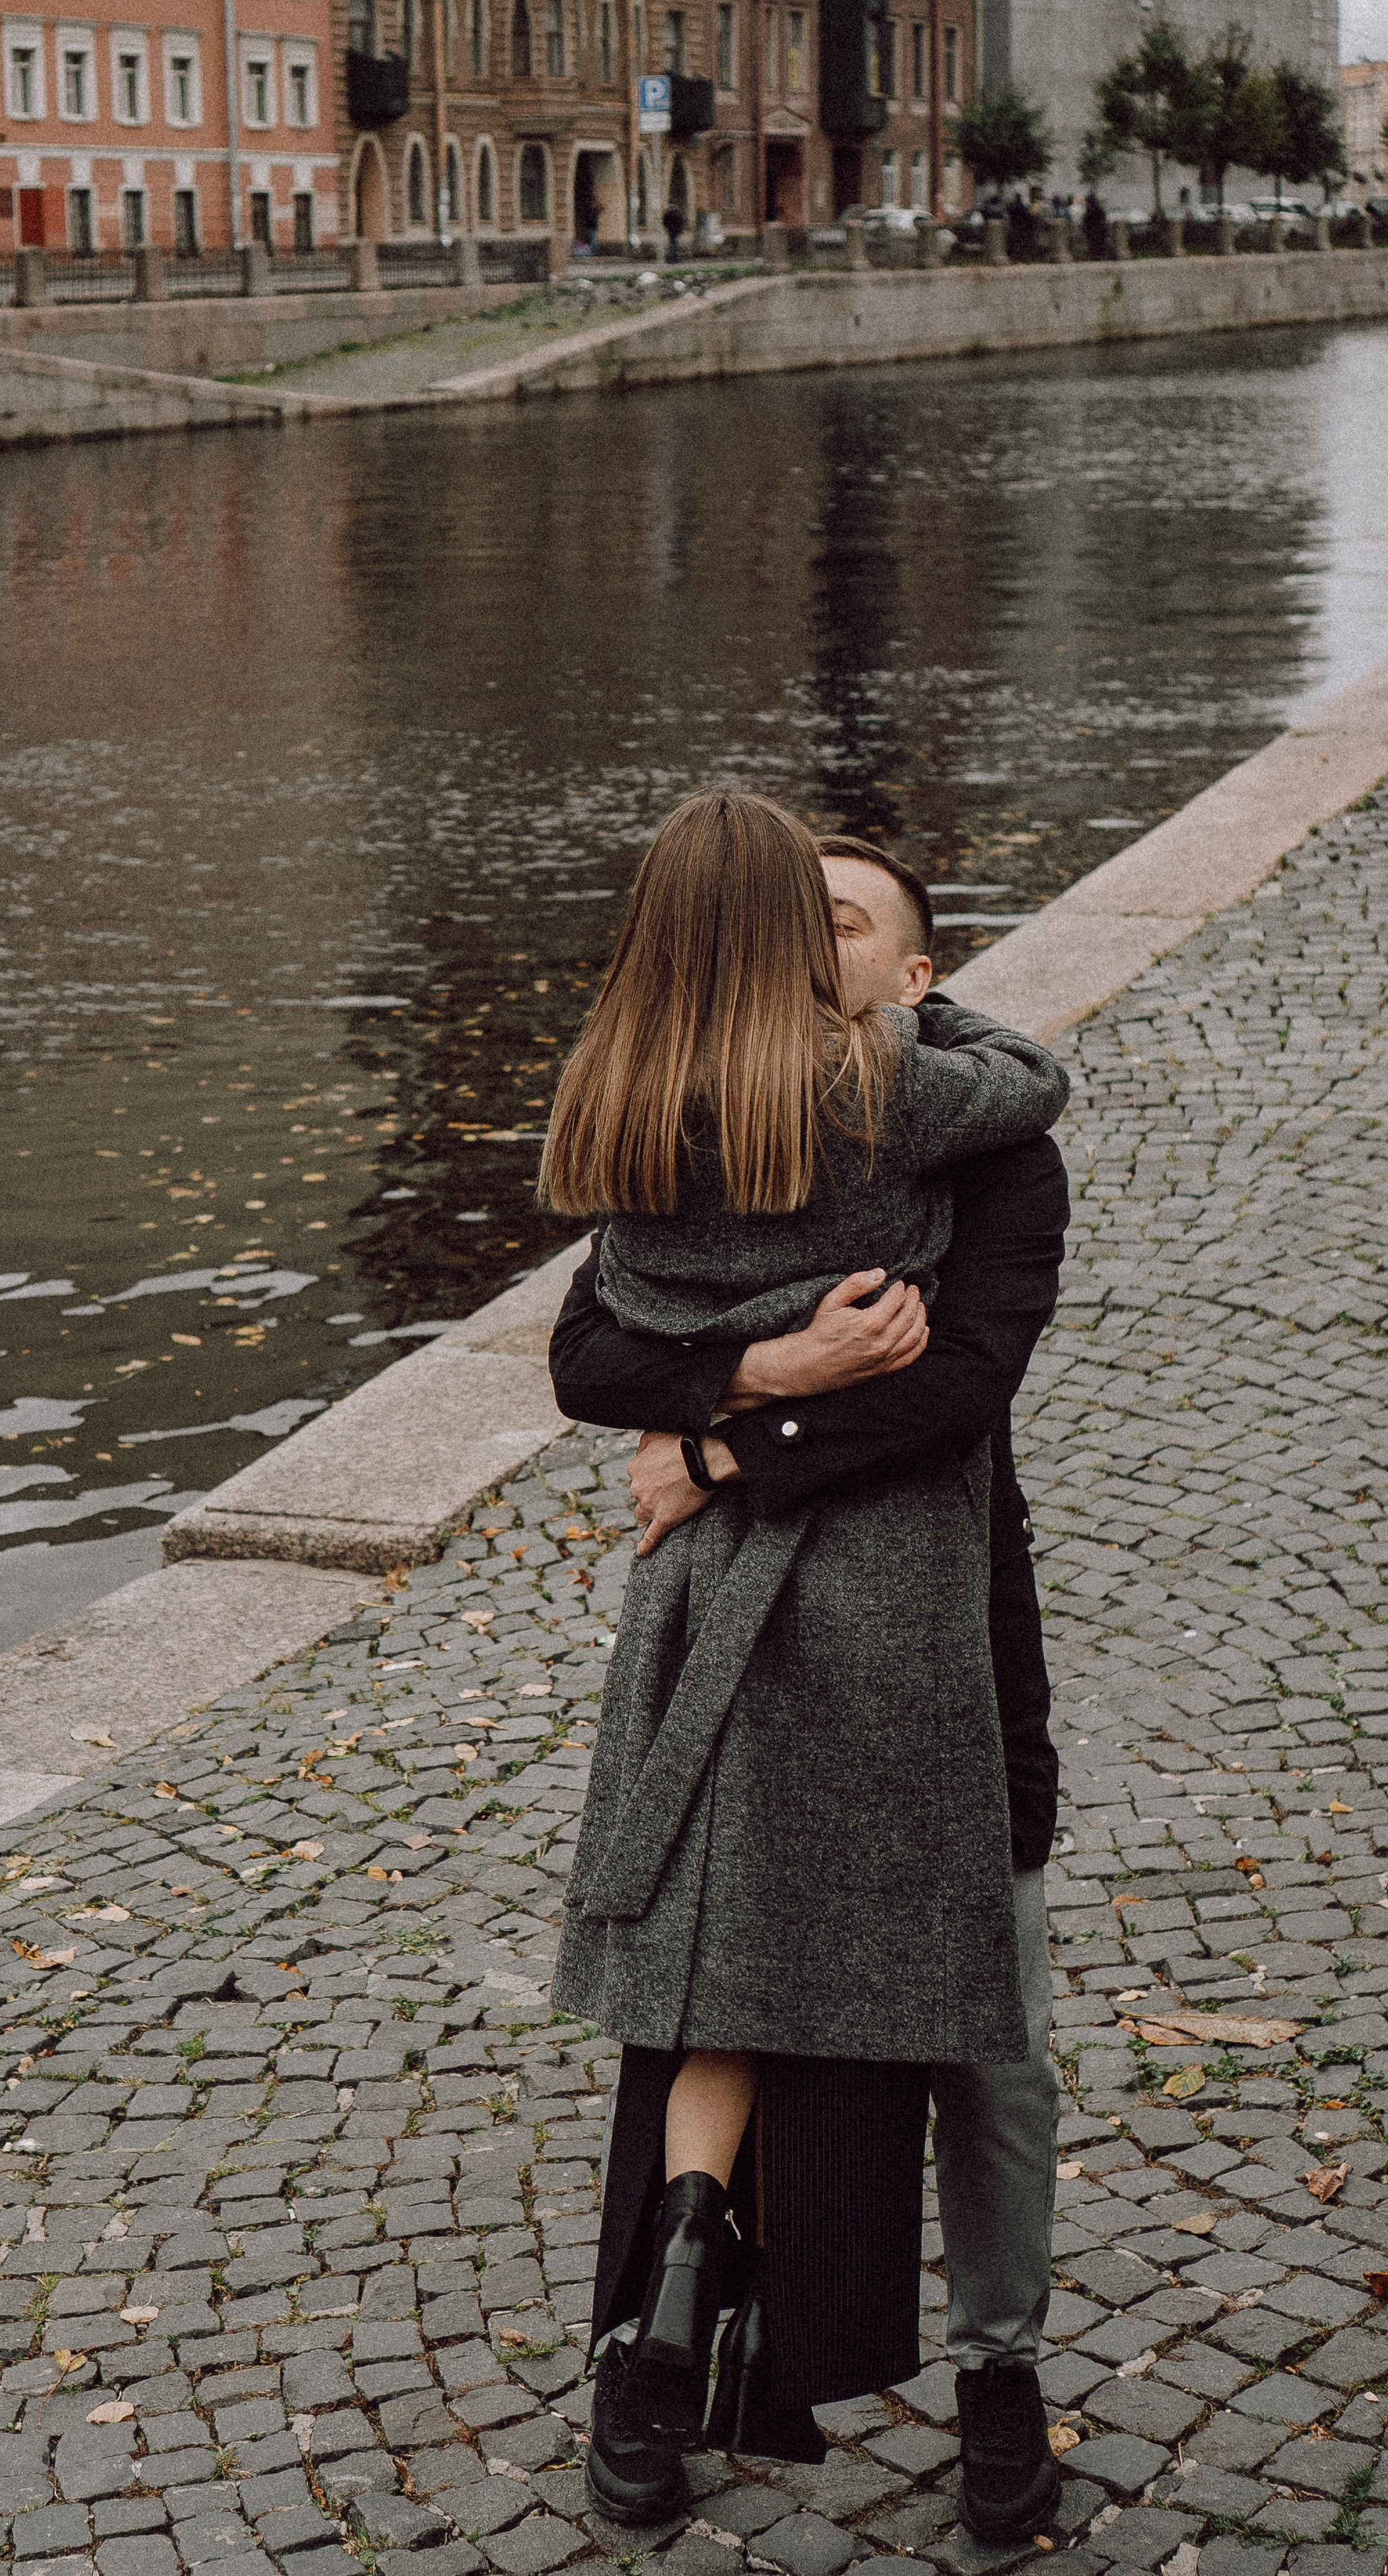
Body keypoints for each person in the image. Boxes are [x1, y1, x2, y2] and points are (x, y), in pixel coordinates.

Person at [542, 798, 1069, 2541]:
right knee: (726, 1989)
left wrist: (719, 1441)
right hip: (802, 1621)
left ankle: (980, 2372)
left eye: (860, 922)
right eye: (806, 915)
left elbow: (954, 1383)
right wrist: (769, 1369)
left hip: (882, 1612)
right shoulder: (866, 1103)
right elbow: (585, 1353)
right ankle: (666, 2340)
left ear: (911, 974)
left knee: (964, 2026)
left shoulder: (654, 1103)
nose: (826, 939)